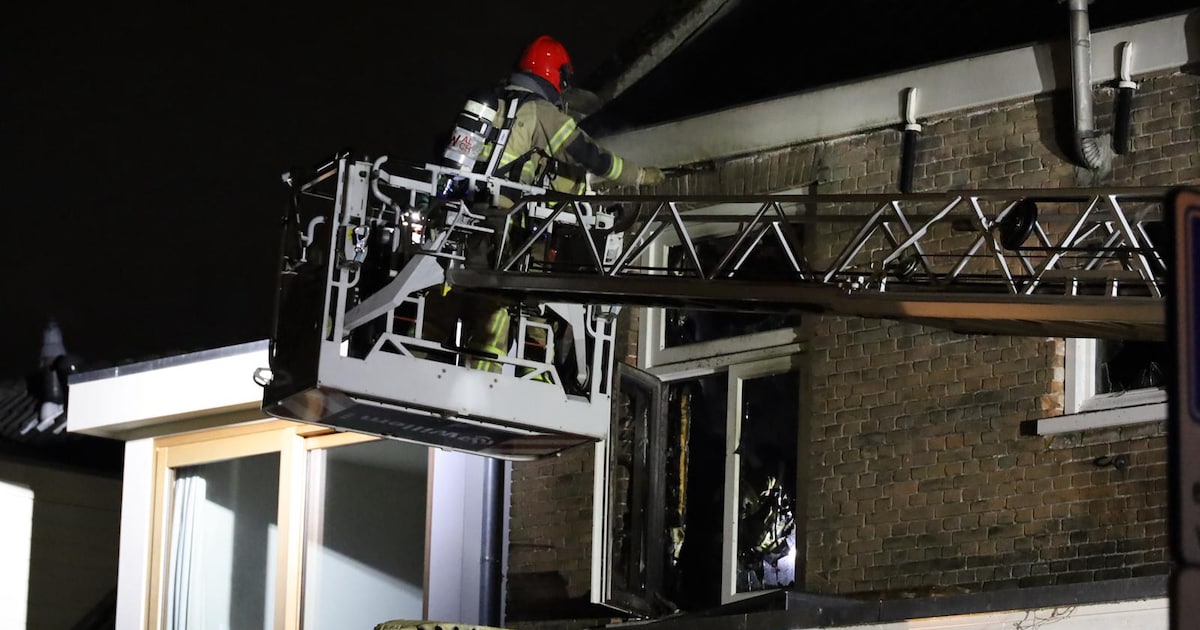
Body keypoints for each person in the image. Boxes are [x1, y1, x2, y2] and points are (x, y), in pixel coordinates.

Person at [449, 35, 665, 380]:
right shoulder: (539, 111)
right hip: (507, 224)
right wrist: (638, 175)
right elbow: (587, 153)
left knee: (494, 302)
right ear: (554, 73)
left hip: (473, 216)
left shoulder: (500, 103)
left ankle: (528, 374)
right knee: (502, 304)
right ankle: (487, 382)